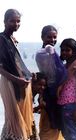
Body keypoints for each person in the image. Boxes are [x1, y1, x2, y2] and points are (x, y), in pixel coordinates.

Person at [0, 9, 34, 139]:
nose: (16, 24)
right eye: (12, 21)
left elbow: (16, 62)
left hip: (18, 82)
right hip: (9, 81)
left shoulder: (11, 39)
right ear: (4, 21)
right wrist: (16, 79)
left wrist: (28, 74)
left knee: (17, 116)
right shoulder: (1, 39)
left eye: (18, 21)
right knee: (13, 116)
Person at [35, 25, 66, 140]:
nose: (52, 40)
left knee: (56, 125)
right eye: (49, 37)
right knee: (49, 124)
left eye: (54, 37)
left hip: (56, 94)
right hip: (49, 93)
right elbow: (60, 73)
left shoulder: (50, 52)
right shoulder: (42, 53)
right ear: (42, 38)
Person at [57, 38, 76, 140]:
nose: (64, 52)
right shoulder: (64, 66)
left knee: (71, 133)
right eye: (62, 50)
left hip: (71, 104)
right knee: (66, 133)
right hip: (62, 104)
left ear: (74, 52)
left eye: (67, 50)